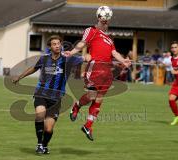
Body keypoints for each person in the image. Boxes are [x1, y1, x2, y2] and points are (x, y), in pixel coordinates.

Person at [12, 35, 90, 154]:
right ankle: (39, 144)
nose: (58, 46)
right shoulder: (44, 59)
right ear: (50, 47)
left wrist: (89, 56)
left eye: (59, 43)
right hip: (41, 93)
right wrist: (19, 77)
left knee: (48, 129)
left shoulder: (67, 59)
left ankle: (44, 145)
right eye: (54, 44)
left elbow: (86, 57)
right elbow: (34, 68)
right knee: (39, 113)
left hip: (56, 98)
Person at [63, 7, 131, 141]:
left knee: (99, 100)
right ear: (99, 18)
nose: (106, 22)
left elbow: (114, 53)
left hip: (107, 71)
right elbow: (83, 43)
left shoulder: (110, 39)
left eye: (107, 21)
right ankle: (77, 106)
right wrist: (71, 52)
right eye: (103, 20)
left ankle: (88, 126)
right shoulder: (92, 31)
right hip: (95, 68)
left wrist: (124, 60)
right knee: (91, 96)